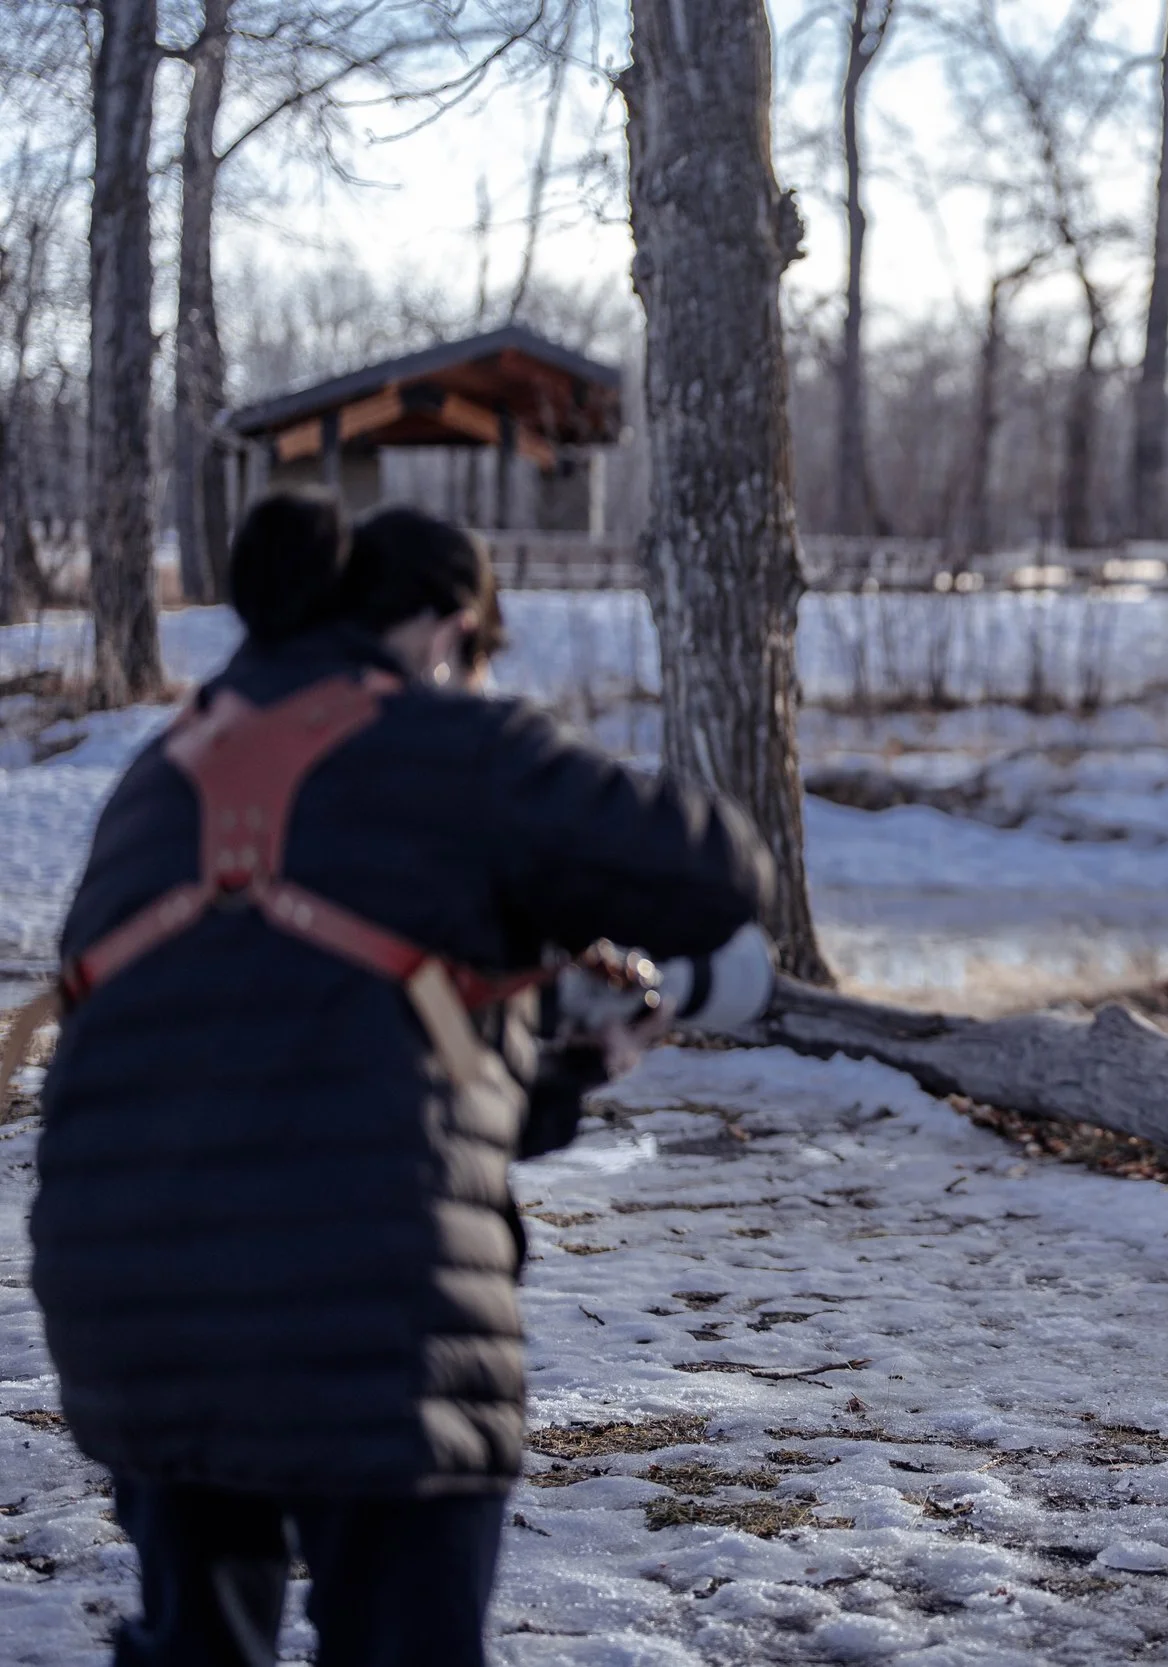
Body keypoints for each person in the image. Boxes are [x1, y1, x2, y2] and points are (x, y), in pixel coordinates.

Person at [30, 493, 775, 1667]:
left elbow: (316, 1052)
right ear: (445, 625)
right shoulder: (450, 742)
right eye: (476, 654)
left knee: (198, 1646)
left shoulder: (164, 769)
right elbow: (713, 870)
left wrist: (553, 1062)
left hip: (128, 1298)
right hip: (367, 1308)